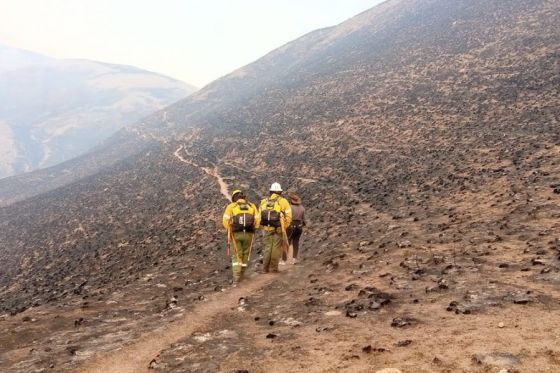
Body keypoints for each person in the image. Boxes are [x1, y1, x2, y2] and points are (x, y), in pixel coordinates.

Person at [222, 189, 259, 283]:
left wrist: (229, 230)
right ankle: (242, 275)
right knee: (245, 255)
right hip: (249, 234)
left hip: (236, 235)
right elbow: (257, 220)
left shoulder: (231, 206)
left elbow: (225, 221)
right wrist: (254, 228)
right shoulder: (252, 206)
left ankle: (236, 279)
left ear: (234, 198)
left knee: (236, 256)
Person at [259, 182, 292, 273]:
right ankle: (273, 268)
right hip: (278, 229)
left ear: (271, 191)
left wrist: (261, 226)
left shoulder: (264, 201)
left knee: (267, 248)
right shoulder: (283, 201)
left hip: (266, 228)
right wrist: (284, 226)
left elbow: (259, 216)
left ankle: (265, 269)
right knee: (276, 248)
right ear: (280, 192)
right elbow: (289, 217)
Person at [282, 191, 306, 264]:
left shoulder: (289, 208)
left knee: (287, 242)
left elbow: (286, 217)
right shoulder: (302, 208)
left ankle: (284, 260)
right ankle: (294, 259)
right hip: (299, 227)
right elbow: (304, 220)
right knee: (296, 243)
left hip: (291, 225)